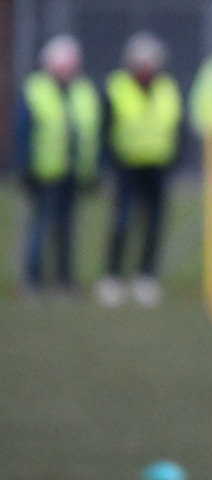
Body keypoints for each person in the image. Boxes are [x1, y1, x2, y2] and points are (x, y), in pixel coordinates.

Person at [94, 31, 184, 308]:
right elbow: (104, 129)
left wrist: (176, 160)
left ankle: (146, 277)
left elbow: (178, 129)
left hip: (158, 166)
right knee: (122, 222)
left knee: (154, 224)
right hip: (126, 166)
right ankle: (112, 277)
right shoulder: (117, 87)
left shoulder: (168, 88)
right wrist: (106, 163)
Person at [14, 34, 101, 297]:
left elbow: (91, 133)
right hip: (44, 172)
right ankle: (33, 279)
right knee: (40, 226)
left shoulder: (84, 91)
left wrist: (91, 169)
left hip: (73, 172)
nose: (67, 68)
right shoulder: (36, 90)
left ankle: (65, 279)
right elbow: (23, 133)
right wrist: (25, 168)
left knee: (67, 229)